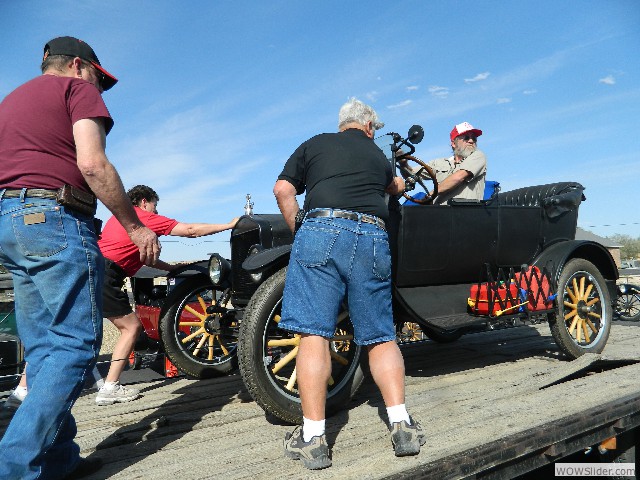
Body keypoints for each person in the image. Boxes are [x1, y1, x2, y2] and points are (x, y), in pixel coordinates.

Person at [0, 36, 160, 480]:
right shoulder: (75, 89)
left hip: (9, 221)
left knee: (44, 347)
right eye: (97, 77)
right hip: (55, 216)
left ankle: (57, 460)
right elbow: (92, 164)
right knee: (74, 346)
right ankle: (13, 468)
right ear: (76, 65)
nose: (99, 90)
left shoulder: (10, 101)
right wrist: (133, 225)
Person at [273, 98, 425, 470]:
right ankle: (402, 426)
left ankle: (313, 438)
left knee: (314, 334)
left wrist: (301, 229)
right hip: (372, 236)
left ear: (343, 124)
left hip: (322, 227)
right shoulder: (377, 156)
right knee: (380, 335)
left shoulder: (315, 143)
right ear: (369, 127)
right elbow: (396, 187)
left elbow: (282, 190)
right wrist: (398, 181)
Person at [94, 185, 238, 405]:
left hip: (93, 268)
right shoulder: (141, 218)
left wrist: (171, 269)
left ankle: (25, 387)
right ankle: (110, 387)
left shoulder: (119, 219)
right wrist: (228, 225)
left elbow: (146, 260)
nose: (156, 211)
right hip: (107, 275)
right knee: (131, 327)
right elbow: (191, 230)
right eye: (155, 205)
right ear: (144, 202)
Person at [404, 122, 487, 205]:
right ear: (454, 143)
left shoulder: (478, 156)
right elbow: (411, 174)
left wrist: (431, 194)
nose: (471, 141)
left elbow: (458, 177)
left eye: (474, 138)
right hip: (438, 214)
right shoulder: (438, 163)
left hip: (466, 214)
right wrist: (403, 163)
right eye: (466, 138)